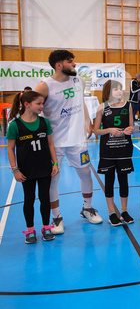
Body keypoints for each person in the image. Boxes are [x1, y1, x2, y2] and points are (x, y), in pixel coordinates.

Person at [35, 49, 99, 233]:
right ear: (59, 65)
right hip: (54, 143)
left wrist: (88, 122)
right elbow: (34, 110)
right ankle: (56, 217)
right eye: (70, 61)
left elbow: (81, 102)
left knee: (86, 173)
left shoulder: (78, 80)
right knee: (53, 181)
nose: (74, 64)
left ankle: (87, 208)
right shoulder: (44, 86)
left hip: (77, 140)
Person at [7, 91, 59, 243]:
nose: (42, 106)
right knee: (28, 200)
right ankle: (30, 230)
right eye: (39, 103)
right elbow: (10, 149)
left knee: (44, 198)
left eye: (43, 103)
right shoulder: (15, 126)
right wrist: (15, 170)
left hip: (44, 168)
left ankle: (46, 227)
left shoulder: (44, 122)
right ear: (26, 104)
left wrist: (54, 163)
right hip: (26, 170)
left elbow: (50, 144)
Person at [93, 80, 135, 227]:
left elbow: (131, 126)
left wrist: (130, 129)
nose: (119, 91)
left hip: (124, 149)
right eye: (116, 89)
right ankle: (112, 213)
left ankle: (124, 211)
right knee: (109, 181)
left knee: (124, 180)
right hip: (108, 151)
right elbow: (96, 131)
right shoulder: (102, 107)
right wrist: (109, 130)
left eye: (120, 89)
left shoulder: (128, 105)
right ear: (108, 91)